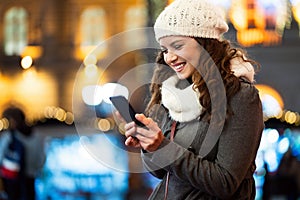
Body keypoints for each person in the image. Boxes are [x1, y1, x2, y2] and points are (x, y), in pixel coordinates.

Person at [122, 0, 264, 199]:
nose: (169, 58)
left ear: (205, 43)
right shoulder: (174, 94)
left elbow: (225, 183)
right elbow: (162, 172)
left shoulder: (240, 96)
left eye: (177, 46)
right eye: (165, 49)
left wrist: (163, 146)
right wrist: (150, 145)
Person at [0, 107, 46, 200]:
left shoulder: (9, 137)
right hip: (31, 177)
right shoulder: (37, 135)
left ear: (12, 120)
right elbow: (41, 159)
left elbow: (0, 157)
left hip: (13, 178)